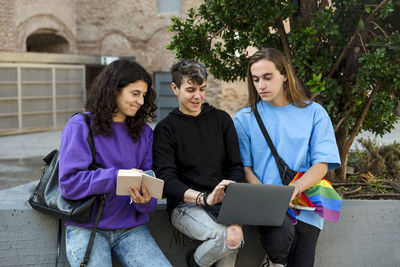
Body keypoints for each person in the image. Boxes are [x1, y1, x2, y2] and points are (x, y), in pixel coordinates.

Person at [233, 48, 341, 267]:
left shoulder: (314, 113)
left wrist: (295, 189)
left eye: (267, 77)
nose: (261, 85)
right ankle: (274, 262)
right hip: (264, 201)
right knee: (280, 236)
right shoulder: (244, 118)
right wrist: (271, 198)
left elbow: (322, 165)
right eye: (255, 79)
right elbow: (246, 169)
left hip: (306, 201)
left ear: (284, 75)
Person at [59, 59, 171, 267]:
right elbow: (69, 184)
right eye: (135, 93)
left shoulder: (145, 133)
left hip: (131, 228)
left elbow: (149, 194)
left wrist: (145, 199)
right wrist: (117, 176)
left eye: (144, 95)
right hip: (87, 227)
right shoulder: (81, 126)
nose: (140, 101)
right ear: (113, 90)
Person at [153, 59, 245, 267]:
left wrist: (226, 191)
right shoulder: (165, 129)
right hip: (185, 205)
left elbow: (236, 166)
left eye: (202, 89)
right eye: (190, 89)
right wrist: (204, 198)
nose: (198, 96)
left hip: (225, 203)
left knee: (234, 235)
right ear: (175, 88)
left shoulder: (222, 120)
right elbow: (166, 180)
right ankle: (194, 263)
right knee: (225, 237)